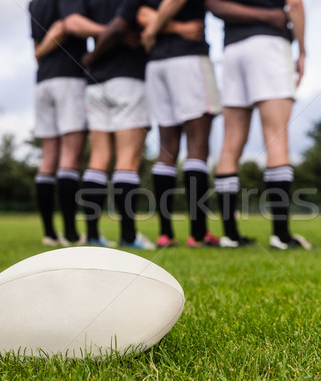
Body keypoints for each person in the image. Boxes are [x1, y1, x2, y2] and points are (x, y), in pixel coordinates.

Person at [35, 1, 204, 249]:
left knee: (98, 159)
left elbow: (74, 24)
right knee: (127, 160)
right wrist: (98, 49)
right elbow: (122, 27)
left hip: (95, 81)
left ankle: (92, 235)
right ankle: (128, 235)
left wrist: (93, 55)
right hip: (128, 77)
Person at [111, 0, 221, 248]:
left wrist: (155, 27)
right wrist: (164, 29)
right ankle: (198, 233)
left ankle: (166, 234)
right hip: (188, 59)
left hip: (156, 64)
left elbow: (142, 13)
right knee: (197, 147)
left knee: (167, 148)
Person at [206, 0, 312, 249]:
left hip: (232, 50)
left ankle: (230, 235)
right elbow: (294, 4)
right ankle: (281, 236)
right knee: (276, 138)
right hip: (269, 45)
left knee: (230, 145)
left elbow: (214, 4)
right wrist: (303, 51)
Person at [29, 0, 88, 246]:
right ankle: (71, 234)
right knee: (70, 158)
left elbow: (35, 43)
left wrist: (40, 53)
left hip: (43, 81)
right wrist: (43, 50)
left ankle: (49, 233)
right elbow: (65, 27)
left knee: (48, 159)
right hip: (68, 79)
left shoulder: (34, 3)